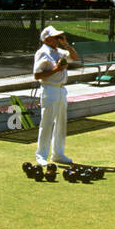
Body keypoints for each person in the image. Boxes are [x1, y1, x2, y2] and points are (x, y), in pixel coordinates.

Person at [33, 25, 79, 165]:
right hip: (49, 89)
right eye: (55, 37)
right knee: (46, 123)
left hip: (61, 90)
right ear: (46, 39)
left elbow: (74, 57)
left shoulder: (59, 51)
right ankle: (41, 156)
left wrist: (66, 44)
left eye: (58, 37)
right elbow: (37, 75)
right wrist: (56, 69)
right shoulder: (42, 53)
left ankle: (58, 154)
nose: (57, 39)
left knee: (61, 123)